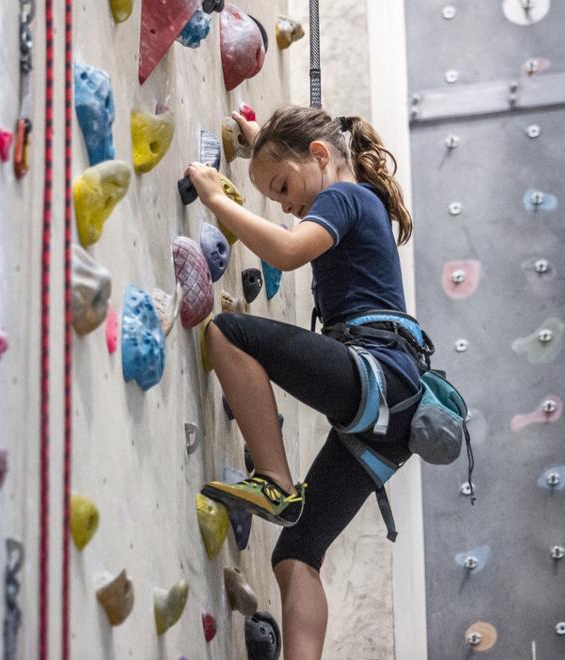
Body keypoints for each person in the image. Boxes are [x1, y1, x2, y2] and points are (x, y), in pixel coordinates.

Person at [184, 105, 421, 660]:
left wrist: (217, 200)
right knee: (296, 553)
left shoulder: (343, 196)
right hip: (396, 413)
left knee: (227, 334)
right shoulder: (352, 196)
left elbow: (288, 252)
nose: (289, 207)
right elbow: (297, 167)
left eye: (286, 189)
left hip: (382, 375)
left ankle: (275, 479)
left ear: (319, 156)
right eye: (279, 200)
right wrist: (260, 141)